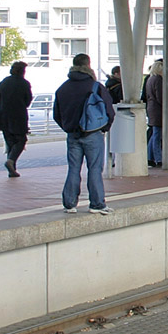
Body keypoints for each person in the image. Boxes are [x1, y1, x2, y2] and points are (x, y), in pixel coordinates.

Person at [53, 53, 116, 214]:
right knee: (94, 168)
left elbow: (56, 115)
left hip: (73, 135)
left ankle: (70, 203)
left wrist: (68, 127)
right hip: (93, 134)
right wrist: (104, 128)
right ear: (88, 66)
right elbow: (109, 110)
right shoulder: (95, 86)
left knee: (73, 168)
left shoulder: (63, 88)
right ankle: (96, 204)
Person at [0, 60, 32, 177]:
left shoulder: (4, 82)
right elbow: (28, 100)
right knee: (21, 140)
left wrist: (3, 106)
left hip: (3, 116)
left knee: (10, 142)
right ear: (22, 71)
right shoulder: (24, 83)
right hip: (18, 117)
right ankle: (11, 161)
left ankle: (12, 170)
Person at [145, 59, 164, 167]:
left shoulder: (150, 79)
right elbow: (160, 97)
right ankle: (158, 158)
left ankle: (150, 156)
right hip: (158, 110)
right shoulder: (158, 80)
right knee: (157, 135)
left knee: (154, 134)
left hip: (152, 109)